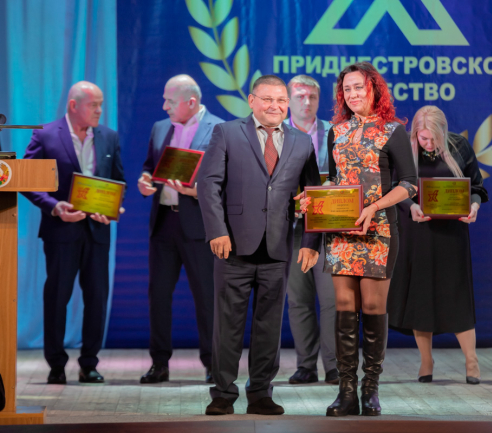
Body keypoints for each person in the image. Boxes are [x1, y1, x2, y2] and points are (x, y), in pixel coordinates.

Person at [197, 75, 322, 416]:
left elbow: (313, 197)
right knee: (228, 325)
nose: (275, 106)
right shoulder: (226, 132)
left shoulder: (302, 142)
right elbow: (208, 185)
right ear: (252, 101)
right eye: (267, 99)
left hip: (278, 247)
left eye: (281, 101)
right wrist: (217, 231)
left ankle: (260, 394)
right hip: (232, 246)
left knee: (269, 326)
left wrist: (311, 242)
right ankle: (223, 394)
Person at [301, 62, 417, 417]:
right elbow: (335, 180)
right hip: (341, 231)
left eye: (358, 88)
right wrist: (313, 199)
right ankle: (346, 391)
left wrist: (375, 207)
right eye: (346, 89)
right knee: (343, 306)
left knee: (372, 307)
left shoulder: (393, 131)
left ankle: (370, 390)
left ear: (374, 90)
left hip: (378, 231)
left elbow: (409, 184)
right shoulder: (336, 132)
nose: (352, 94)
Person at [22, 81, 125, 384]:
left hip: (97, 232)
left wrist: (113, 209)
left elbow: (118, 181)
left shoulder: (109, 137)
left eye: (101, 104)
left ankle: (89, 364)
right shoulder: (45, 134)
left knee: (97, 298)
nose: (99, 110)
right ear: (73, 105)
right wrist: (54, 207)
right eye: (94, 105)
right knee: (57, 298)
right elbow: (27, 180)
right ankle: (56, 365)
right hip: (60, 231)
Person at [387, 106, 488, 385]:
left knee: (457, 297)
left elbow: (477, 187)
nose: (429, 144)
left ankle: (471, 361)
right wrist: (411, 206)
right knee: (421, 298)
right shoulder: (405, 148)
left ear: (444, 133)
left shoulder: (460, 146)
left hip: (452, 234)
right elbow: (394, 187)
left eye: (434, 139)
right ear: (415, 135)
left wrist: (474, 207)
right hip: (417, 232)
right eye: (424, 139)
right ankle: (426, 361)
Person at [137, 75, 224, 384]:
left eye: (170, 101)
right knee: (158, 296)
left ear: (191, 102)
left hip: (199, 225)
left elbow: (226, 180)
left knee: (207, 297)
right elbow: (150, 167)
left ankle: (214, 363)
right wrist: (145, 181)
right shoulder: (160, 127)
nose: (164, 106)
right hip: (163, 223)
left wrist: (196, 191)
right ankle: (159, 363)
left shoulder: (219, 129)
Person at [283, 74, 338, 385]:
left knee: (331, 301)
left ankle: (334, 366)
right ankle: (306, 366)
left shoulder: (334, 133)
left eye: (312, 97)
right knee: (298, 300)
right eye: (300, 96)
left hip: (328, 228)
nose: (306, 102)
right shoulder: (276, 133)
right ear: (289, 100)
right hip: (291, 230)